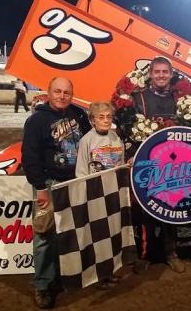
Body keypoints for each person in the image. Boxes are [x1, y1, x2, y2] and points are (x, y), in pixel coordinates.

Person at [22, 77, 91, 309]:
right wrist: (40, 188)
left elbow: (92, 143)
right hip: (48, 184)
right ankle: (42, 286)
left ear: (72, 95)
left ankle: (63, 277)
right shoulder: (36, 121)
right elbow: (29, 157)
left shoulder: (79, 115)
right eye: (57, 91)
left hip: (74, 182)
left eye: (67, 93)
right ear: (48, 92)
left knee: (69, 233)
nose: (62, 96)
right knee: (44, 235)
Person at [131, 56, 185, 274]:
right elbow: (129, 128)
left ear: (171, 74)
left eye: (165, 72)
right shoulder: (138, 98)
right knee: (146, 211)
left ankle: (171, 253)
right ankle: (145, 255)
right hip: (147, 165)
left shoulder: (180, 98)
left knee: (171, 209)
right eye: (157, 72)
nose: (161, 75)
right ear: (150, 74)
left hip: (173, 165)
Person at [75, 101, 124, 289]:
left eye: (108, 117)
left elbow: (118, 164)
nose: (105, 120)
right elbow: (81, 171)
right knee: (97, 235)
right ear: (92, 120)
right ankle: (97, 274)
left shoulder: (115, 138)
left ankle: (109, 271)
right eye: (101, 117)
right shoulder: (86, 140)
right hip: (95, 195)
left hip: (113, 192)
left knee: (112, 232)